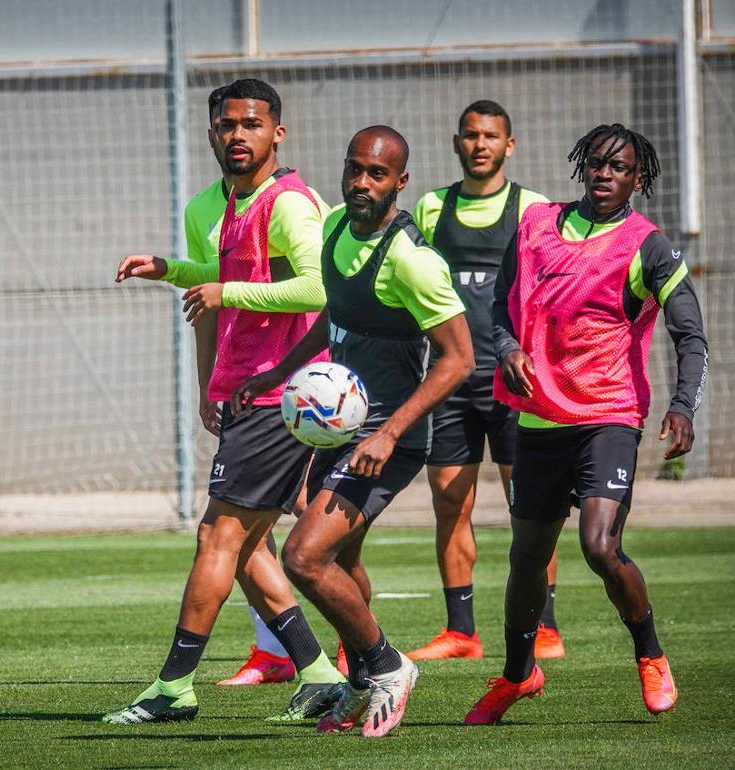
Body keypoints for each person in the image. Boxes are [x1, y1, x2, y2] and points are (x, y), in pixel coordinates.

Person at [105, 78, 344, 724]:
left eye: (251, 124)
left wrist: (225, 294)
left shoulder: (289, 204)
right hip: (251, 393)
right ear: (212, 132)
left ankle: (174, 686)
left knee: (218, 535)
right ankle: (320, 673)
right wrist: (172, 270)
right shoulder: (232, 202)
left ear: (277, 133)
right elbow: (230, 280)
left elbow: (318, 289)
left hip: (282, 394)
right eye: (227, 125)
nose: (238, 135)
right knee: (243, 549)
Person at [464, 123, 707, 724]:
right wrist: (508, 348)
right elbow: (501, 304)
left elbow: (690, 334)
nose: (605, 174)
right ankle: (518, 676)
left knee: (599, 545)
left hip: (608, 416)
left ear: (637, 179)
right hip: (541, 418)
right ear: (583, 167)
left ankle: (650, 655)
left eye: (619, 167)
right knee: (527, 557)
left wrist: (683, 405)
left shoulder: (649, 246)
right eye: (597, 163)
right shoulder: (536, 225)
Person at [235, 126, 472, 737]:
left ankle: (388, 667)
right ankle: (363, 681)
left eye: (377, 173)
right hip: (341, 432)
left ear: (400, 182)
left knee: (303, 556)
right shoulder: (337, 226)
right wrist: (279, 372)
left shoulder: (413, 260)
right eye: (354, 169)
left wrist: (388, 434)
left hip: (387, 442)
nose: (362, 182)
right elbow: (334, 315)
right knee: (340, 557)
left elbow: (458, 360)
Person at [408, 100, 565, 660]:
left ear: (509, 145)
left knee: (532, 507)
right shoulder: (430, 208)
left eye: (491, 136)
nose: (480, 144)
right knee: (450, 503)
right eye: (471, 135)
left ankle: (545, 628)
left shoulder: (533, 208)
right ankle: (461, 632)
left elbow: (553, 289)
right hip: (450, 381)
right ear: (457, 143)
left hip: (515, 383)